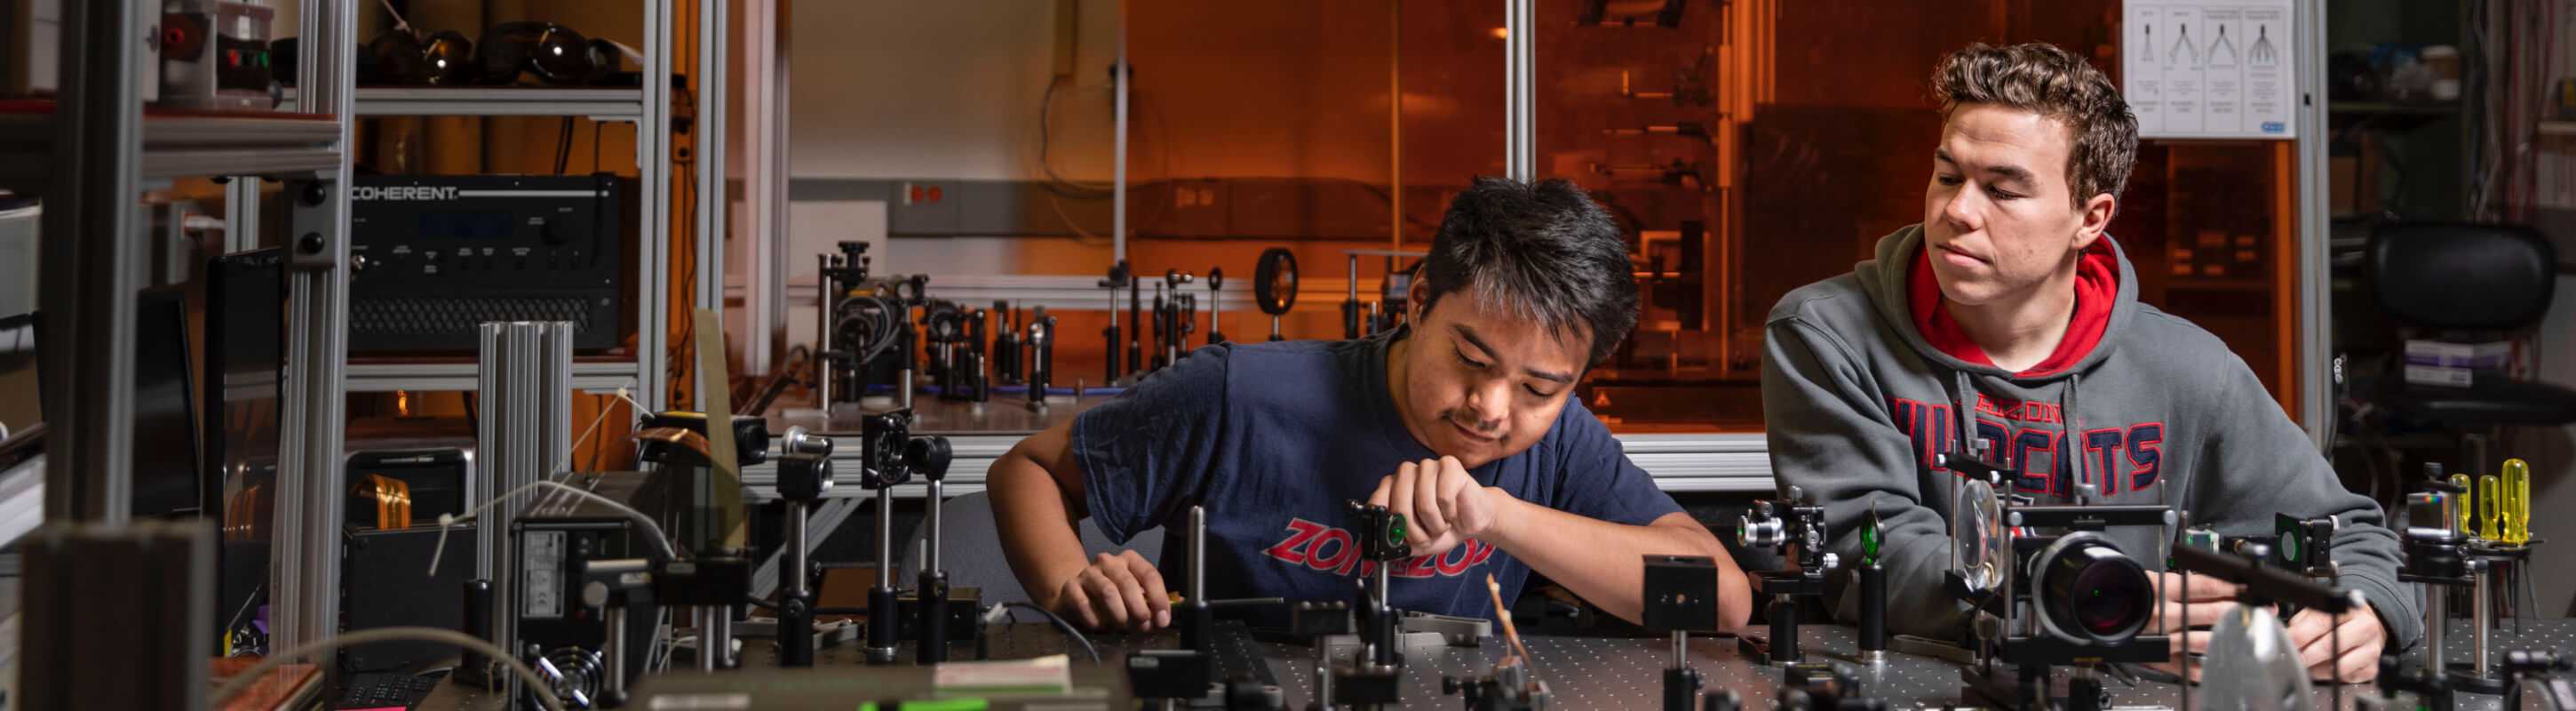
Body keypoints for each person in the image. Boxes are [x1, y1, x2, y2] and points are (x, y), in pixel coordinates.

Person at [1760, 42, 2417, 682]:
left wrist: (2366, 612)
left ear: (2090, 218)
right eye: (1948, 176)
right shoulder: (1828, 334)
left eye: (2003, 190)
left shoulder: (2188, 369)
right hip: (1913, 688)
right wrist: (2092, 610)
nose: (1958, 211)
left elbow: (2350, 535)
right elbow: (1869, 554)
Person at [990, 177, 1751, 633]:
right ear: (1420, 302)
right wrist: (1071, 587)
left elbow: (1723, 601)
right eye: (1471, 360)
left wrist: (1497, 518)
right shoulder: (1240, 395)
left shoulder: (1554, 446)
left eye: (1538, 388)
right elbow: (1026, 470)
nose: (1491, 407)